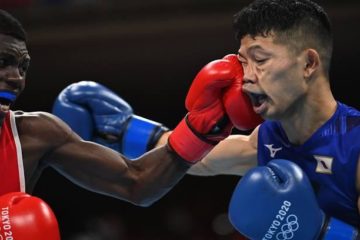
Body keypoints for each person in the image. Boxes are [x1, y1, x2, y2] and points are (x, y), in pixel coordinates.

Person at [53, 0, 360, 238]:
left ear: (308, 63)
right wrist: (121, 128)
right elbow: (192, 157)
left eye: (260, 60)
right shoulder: (265, 142)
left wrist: (322, 233)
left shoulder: (354, 146)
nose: (247, 78)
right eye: (242, 63)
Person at [0, 8, 260, 239]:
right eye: (3, 62)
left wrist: (201, 129)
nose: (16, 78)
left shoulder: (33, 135)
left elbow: (137, 182)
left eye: (23, 67)